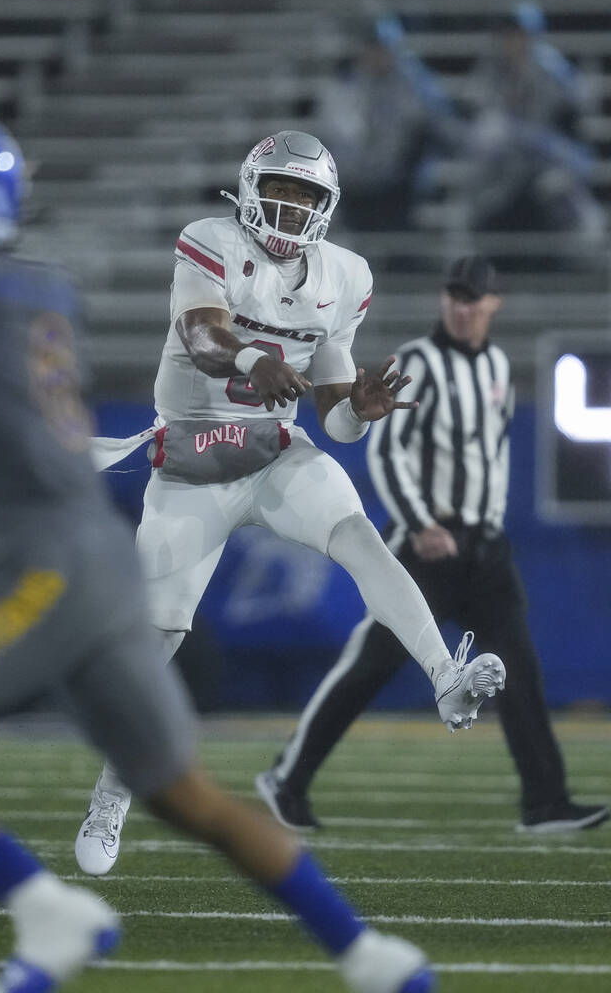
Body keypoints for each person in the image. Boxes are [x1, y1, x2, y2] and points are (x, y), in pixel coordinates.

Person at [0, 109, 441, 993]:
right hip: (103, 555)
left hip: (42, 569)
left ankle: (45, 911)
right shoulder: (41, 287)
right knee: (185, 794)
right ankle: (370, 954)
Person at [77, 130, 506, 879]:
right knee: (160, 634)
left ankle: (446, 678)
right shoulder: (210, 241)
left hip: (274, 450)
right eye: (278, 190)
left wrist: (359, 411)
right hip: (193, 457)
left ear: (326, 206)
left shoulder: (345, 274)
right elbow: (201, 335)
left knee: (359, 535)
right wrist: (253, 358)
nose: (289, 206)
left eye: (304, 196)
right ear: (249, 191)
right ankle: (110, 796)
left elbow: (335, 414)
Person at [256, 255, 609, 836]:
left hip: (484, 549)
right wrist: (420, 523)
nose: (461, 307)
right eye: (454, 296)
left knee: (520, 670)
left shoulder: (496, 363)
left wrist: (489, 524)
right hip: (429, 546)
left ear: (493, 303)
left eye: (473, 298)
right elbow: (388, 450)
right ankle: (286, 779)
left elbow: (491, 454)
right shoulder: (419, 361)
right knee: (370, 666)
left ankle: (546, 802)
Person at [463, 2, 606, 268]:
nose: (512, 42)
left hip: (547, 170)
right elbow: (480, 131)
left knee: (563, 199)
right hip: (502, 176)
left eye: (519, 34)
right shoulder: (489, 70)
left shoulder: (555, 71)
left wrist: (529, 138)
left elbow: (577, 140)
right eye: (507, 34)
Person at [313, 15, 461, 235]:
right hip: (354, 186)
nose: (377, 54)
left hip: (400, 187)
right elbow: (338, 135)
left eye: (382, 47)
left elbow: (444, 127)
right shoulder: (343, 86)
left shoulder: (416, 82)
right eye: (371, 47)